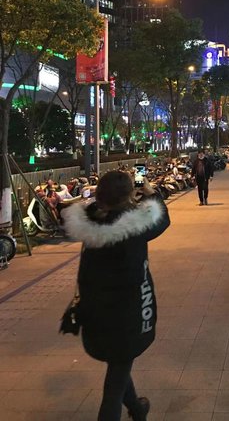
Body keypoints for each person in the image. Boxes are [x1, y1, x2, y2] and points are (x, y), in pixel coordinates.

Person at [63, 170, 170, 421]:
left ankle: (137, 408)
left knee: (118, 368)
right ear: (130, 195)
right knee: (113, 387)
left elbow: (98, 209)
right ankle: (134, 410)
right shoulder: (134, 228)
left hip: (95, 315)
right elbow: (161, 219)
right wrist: (150, 192)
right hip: (128, 317)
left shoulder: (90, 224)